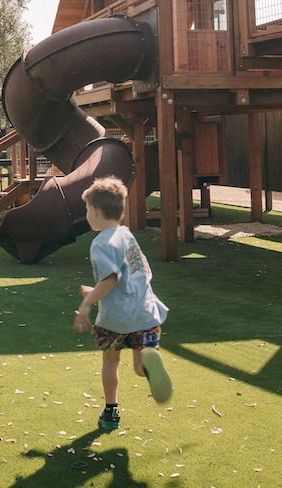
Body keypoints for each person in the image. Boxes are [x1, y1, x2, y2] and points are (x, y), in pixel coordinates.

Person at [73, 175, 172, 430]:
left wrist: (87, 304)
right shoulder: (126, 236)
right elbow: (135, 272)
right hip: (145, 311)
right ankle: (149, 364)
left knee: (110, 360)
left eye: (86, 209)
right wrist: (95, 290)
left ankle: (111, 411)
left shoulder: (101, 244)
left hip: (116, 318)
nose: (86, 214)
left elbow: (111, 279)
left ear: (95, 210)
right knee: (139, 367)